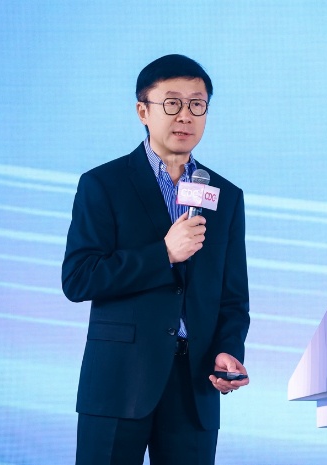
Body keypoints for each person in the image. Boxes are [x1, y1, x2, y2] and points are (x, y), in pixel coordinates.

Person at [62, 54, 250, 465]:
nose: (185, 115)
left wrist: (227, 349)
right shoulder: (103, 184)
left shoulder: (226, 196)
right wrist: (163, 253)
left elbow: (233, 297)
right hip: (119, 381)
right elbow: (79, 278)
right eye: (172, 103)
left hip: (194, 385)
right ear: (142, 111)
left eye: (197, 104)